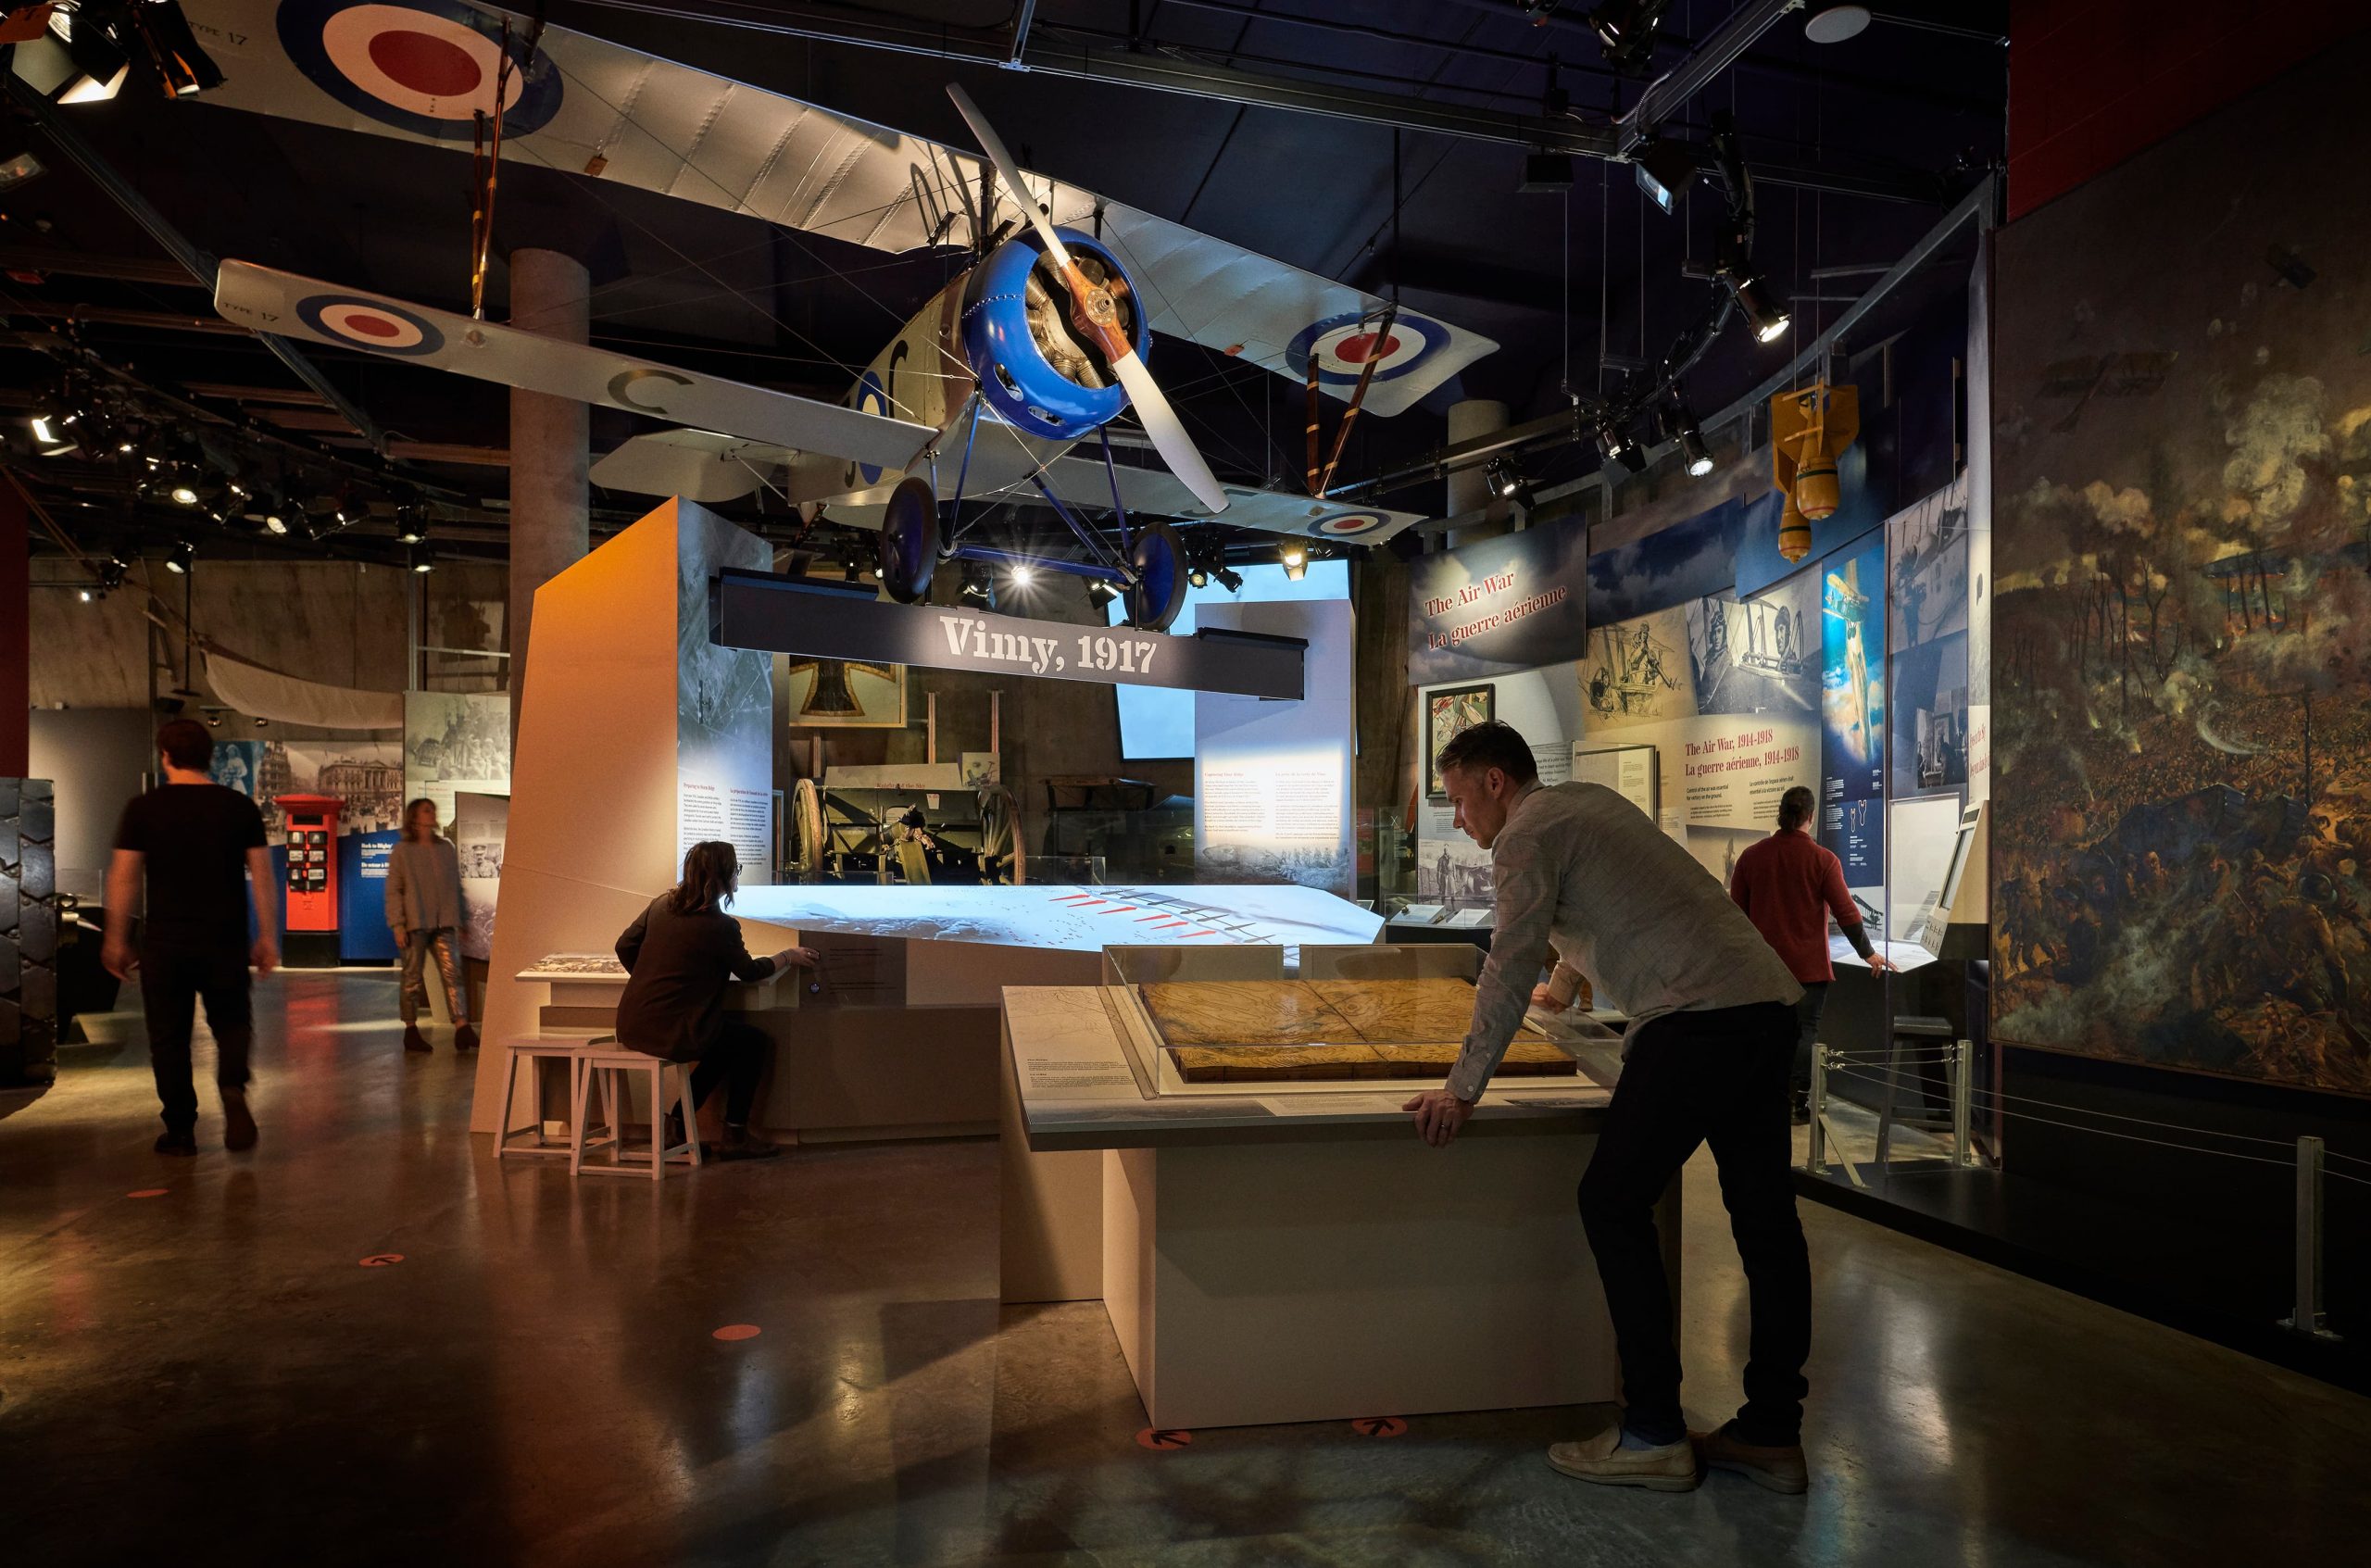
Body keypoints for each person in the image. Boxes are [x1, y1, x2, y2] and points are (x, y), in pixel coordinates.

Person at [1402, 721, 1812, 1496]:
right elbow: (1615, 906)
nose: (1458, 818)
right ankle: (1772, 1433)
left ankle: (1653, 1429)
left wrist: (1461, 1087)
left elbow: (1508, 957)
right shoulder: (1582, 804)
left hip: (1694, 1023)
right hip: (1763, 1009)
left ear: (1495, 782)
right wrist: (1562, 988)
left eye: (1458, 799)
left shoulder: (1525, 833)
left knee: (1611, 1200)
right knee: (1767, 1226)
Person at [103, 719, 279, 1156]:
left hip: (166, 945)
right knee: (233, 1022)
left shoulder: (143, 808)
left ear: (165, 756)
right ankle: (233, 1088)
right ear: (210, 756)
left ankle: (180, 1129)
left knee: (169, 1038)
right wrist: (268, 936)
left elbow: (124, 877)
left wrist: (115, 938)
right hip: (224, 940)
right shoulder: (238, 807)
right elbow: (262, 877)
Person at [614, 841, 817, 1160]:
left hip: (631, 1025)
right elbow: (750, 971)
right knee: (751, 1043)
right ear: (724, 876)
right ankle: (734, 1132)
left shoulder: (660, 904)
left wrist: (648, 979)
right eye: (735, 869)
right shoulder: (719, 926)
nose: (737, 876)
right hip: (674, 1030)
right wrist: (787, 956)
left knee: (725, 1042)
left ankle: (677, 1124)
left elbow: (624, 945)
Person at [1729, 784, 1890, 1123]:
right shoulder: (1822, 859)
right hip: (1809, 970)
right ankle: (1797, 1103)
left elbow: (1736, 915)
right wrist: (1869, 953)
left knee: (1764, 1033)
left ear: (1781, 813)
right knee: (1805, 1033)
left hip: (1763, 970)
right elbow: (1847, 912)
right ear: (1811, 817)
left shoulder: (1751, 857)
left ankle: (1763, 1100)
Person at [387, 797, 478, 1055]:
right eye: (427, 810)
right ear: (415, 818)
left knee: (453, 974)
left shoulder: (446, 848)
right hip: (415, 923)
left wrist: (462, 917)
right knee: (411, 978)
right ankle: (411, 1030)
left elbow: (456, 885)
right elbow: (394, 890)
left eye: (433, 810)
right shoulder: (403, 852)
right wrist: (397, 924)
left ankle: (462, 1027)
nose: (432, 814)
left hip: (445, 922)